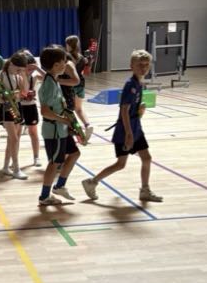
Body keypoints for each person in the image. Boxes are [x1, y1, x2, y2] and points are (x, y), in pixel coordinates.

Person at [82, 49, 163, 203]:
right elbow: (124, 110)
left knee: (146, 158)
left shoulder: (139, 83)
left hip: (136, 127)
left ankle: (145, 190)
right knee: (120, 164)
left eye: (146, 65)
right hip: (125, 131)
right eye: (140, 65)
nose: (143, 68)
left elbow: (131, 109)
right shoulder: (130, 85)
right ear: (131, 66)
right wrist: (128, 134)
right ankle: (92, 182)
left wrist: (139, 111)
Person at [37, 44, 81, 206]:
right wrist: (64, 120)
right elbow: (45, 111)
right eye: (64, 61)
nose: (66, 64)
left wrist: (68, 122)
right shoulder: (49, 84)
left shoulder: (53, 80)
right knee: (54, 163)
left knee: (74, 154)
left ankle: (60, 186)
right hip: (54, 130)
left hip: (61, 128)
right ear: (56, 65)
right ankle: (44, 196)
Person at [0, 52, 28, 180]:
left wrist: (23, 74)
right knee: (14, 139)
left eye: (21, 70)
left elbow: (24, 91)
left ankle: (6, 166)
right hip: (7, 108)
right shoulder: (1, 75)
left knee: (13, 139)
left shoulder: (18, 75)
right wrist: (0, 99)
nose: (19, 72)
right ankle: (16, 168)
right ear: (11, 64)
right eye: (18, 69)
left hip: (17, 106)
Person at [65, 35, 94, 142]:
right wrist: (90, 63)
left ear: (68, 45)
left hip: (70, 86)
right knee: (79, 109)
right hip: (81, 85)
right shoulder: (82, 57)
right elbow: (86, 73)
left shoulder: (66, 57)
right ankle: (87, 125)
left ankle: (78, 131)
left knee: (69, 112)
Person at [19, 50, 43, 166]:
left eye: (32, 67)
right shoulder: (18, 76)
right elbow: (24, 90)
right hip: (19, 106)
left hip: (31, 107)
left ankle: (36, 157)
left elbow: (49, 78)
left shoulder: (35, 76)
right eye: (28, 67)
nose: (30, 70)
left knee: (33, 132)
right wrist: (24, 74)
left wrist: (37, 68)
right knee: (16, 135)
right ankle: (14, 159)